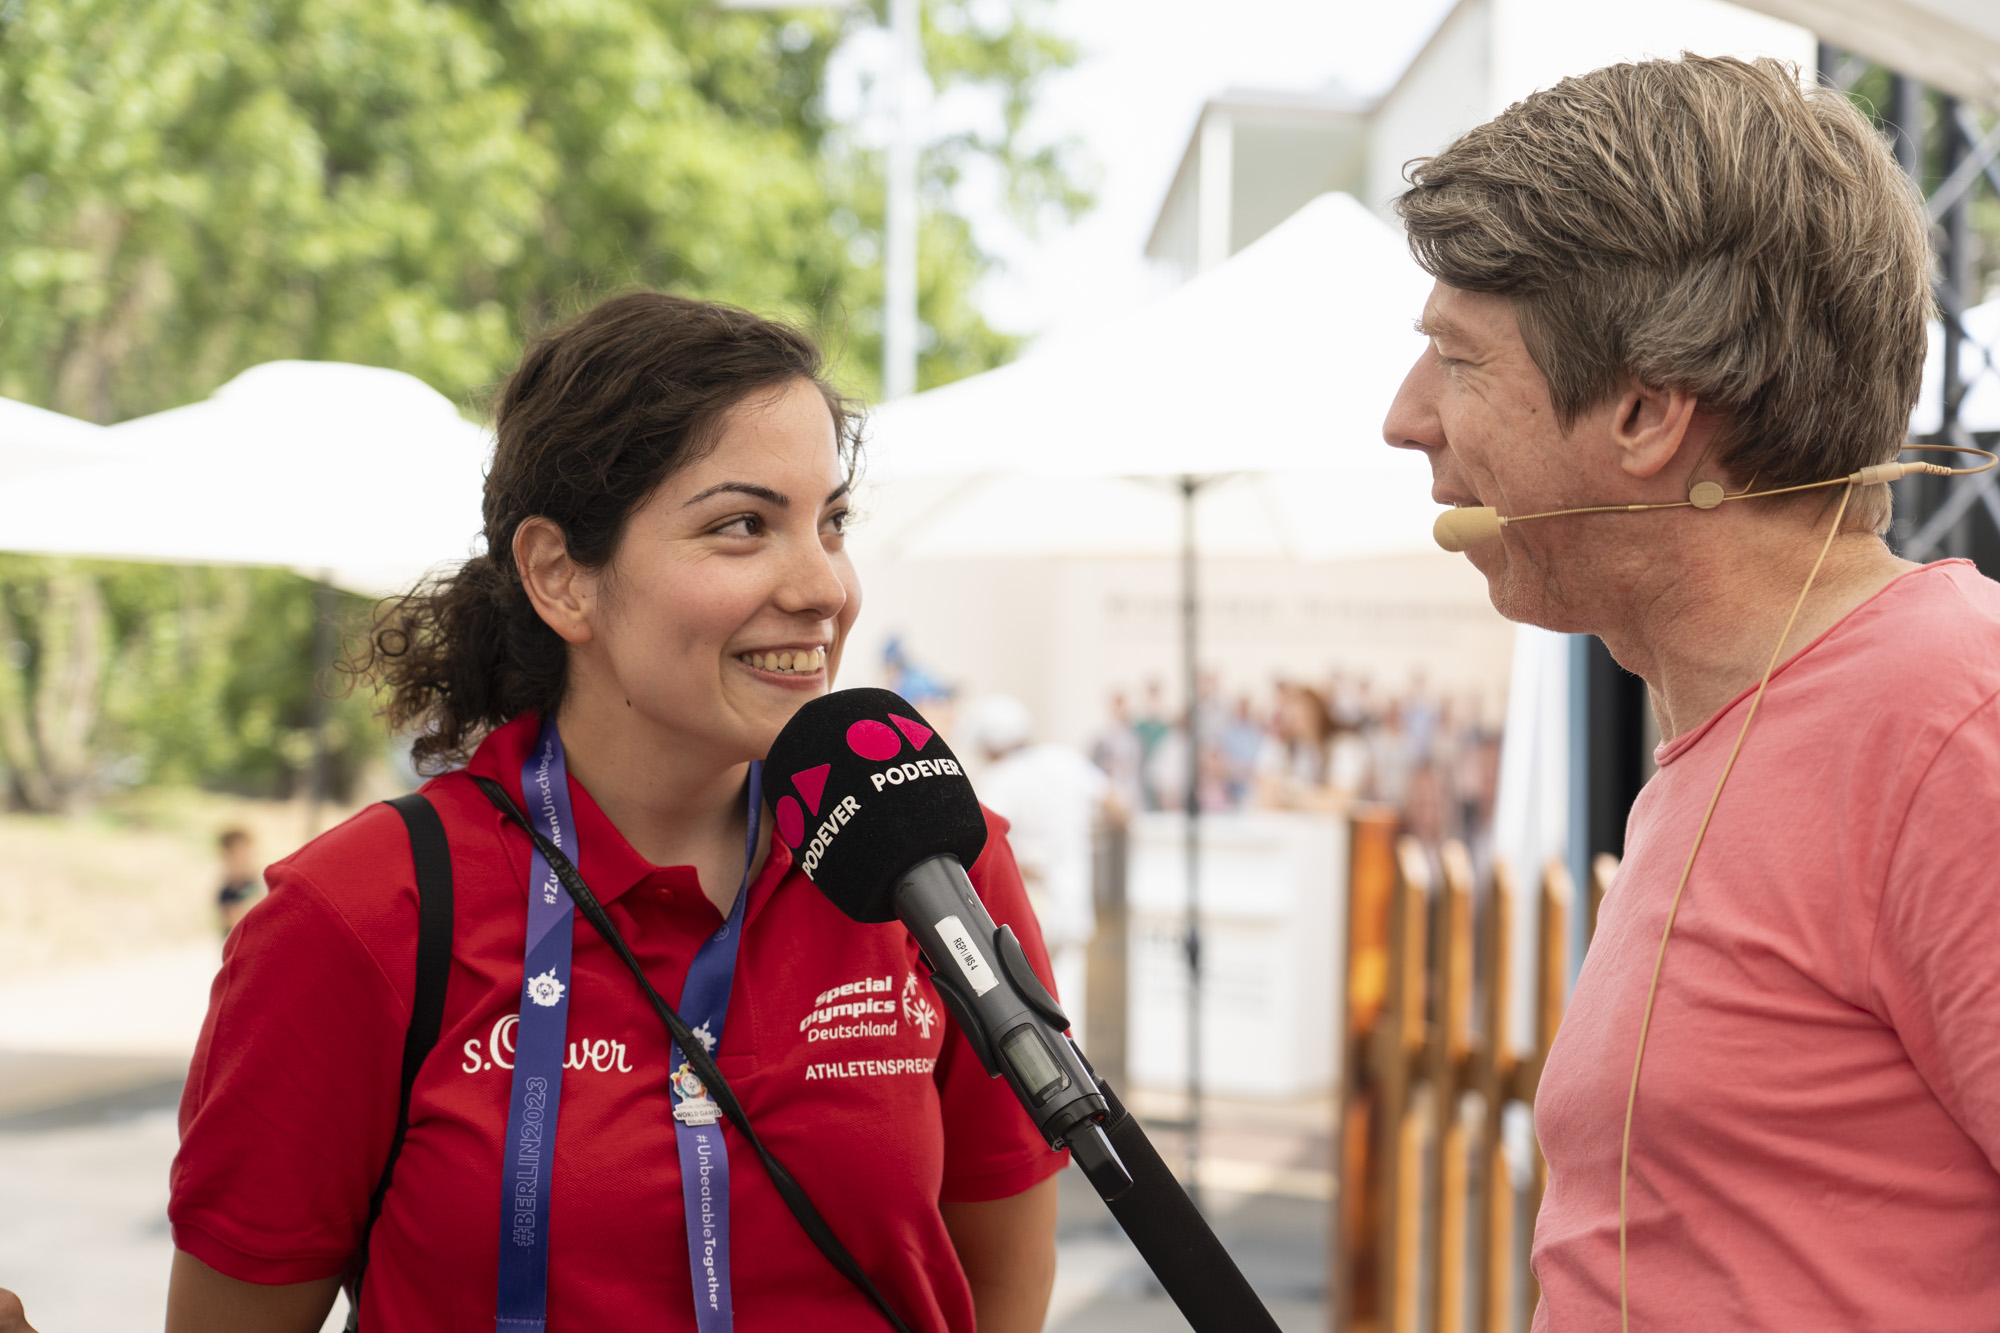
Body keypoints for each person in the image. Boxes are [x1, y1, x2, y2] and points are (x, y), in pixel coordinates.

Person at [149, 293, 1063, 1333]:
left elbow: (1000, 1293)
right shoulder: (356, 915)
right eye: (741, 526)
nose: (825, 586)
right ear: (559, 576)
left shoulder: (933, 856)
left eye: (831, 522)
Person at [1385, 56, 2000, 1328]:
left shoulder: (1951, 719)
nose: (1405, 420)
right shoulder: (1741, 723)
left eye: (1454, 359)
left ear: (1646, 410)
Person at [963, 694, 1107, 1050]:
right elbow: (1117, 804)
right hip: (1072, 905)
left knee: (1035, 1015)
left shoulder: (1001, 777)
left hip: (1029, 912)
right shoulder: (1066, 760)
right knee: (1069, 1011)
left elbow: (983, 841)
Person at [214, 827, 261, 936]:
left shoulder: (259, 883)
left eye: (247, 852)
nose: (245, 859)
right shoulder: (227, 890)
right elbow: (233, 920)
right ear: (227, 856)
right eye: (239, 853)